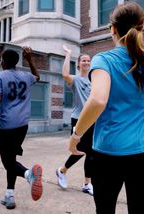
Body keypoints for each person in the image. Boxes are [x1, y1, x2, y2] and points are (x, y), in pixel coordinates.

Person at [69, 2, 144, 213]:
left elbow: (98, 100)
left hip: (109, 154)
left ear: (112, 29)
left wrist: (76, 136)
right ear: (140, 29)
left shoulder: (104, 60)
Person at [0, 47, 43, 209]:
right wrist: (30, 59)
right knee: (12, 160)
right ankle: (9, 195)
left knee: (8, 163)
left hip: (6, 126)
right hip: (22, 125)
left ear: (3, 61)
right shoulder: (26, 76)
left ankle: (29, 174)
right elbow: (38, 76)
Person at [55, 45, 94, 195]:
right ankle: (62, 171)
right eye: (83, 60)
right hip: (78, 119)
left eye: (88, 60)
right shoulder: (76, 80)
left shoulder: (94, 79)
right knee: (81, 150)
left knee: (91, 152)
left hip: (92, 120)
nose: (86, 62)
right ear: (78, 64)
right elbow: (65, 74)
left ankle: (87, 184)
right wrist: (68, 55)